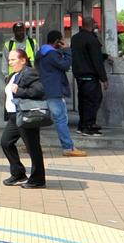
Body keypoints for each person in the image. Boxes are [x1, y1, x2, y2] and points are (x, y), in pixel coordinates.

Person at [1, 46, 46, 189]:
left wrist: (20, 91)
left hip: (26, 116)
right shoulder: (14, 75)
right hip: (14, 117)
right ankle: (18, 173)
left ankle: (38, 179)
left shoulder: (29, 72)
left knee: (33, 147)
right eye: (9, 60)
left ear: (23, 60)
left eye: (13, 60)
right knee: (6, 142)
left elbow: (39, 90)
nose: (10, 62)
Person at [35, 29, 86, 157]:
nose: (63, 42)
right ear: (58, 41)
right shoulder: (52, 54)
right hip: (54, 90)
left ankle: (30, 145)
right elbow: (65, 65)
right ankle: (68, 147)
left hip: (45, 89)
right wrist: (67, 50)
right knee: (61, 119)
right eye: (61, 40)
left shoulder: (41, 52)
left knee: (37, 119)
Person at [72, 21, 109, 136]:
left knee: (83, 101)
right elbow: (96, 59)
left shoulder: (75, 38)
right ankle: (88, 126)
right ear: (92, 26)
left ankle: (82, 125)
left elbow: (84, 54)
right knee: (93, 100)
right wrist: (104, 79)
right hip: (90, 75)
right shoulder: (92, 39)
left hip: (79, 75)